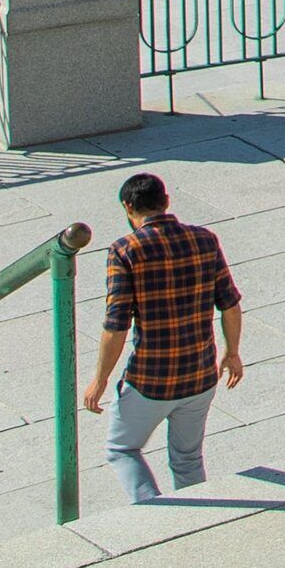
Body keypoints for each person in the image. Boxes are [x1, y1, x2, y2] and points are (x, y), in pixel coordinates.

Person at [82, 171, 245, 503]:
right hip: (200, 377)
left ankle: (154, 512)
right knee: (188, 458)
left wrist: (99, 381)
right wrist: (232, 352)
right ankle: (198, 519)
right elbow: (230, 303)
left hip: (150, 381)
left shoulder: (125, 251)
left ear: (128, 207)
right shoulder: (205, 240)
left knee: (121, 448)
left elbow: (116, 324)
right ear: (166, 201)